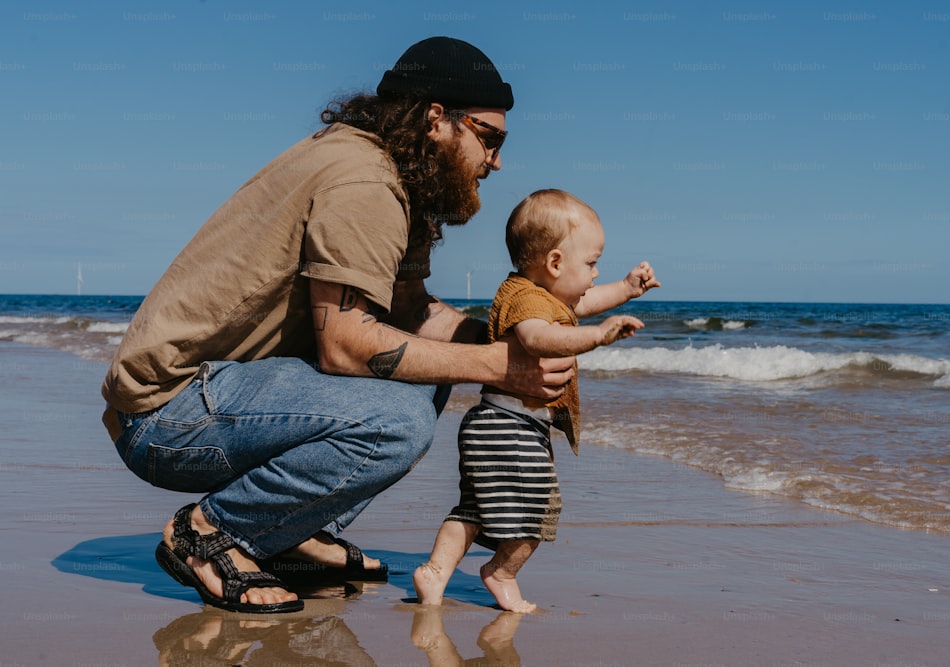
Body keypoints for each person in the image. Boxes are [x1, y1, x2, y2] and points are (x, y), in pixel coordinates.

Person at [100, 37, 575, 614]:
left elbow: (412, 311)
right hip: (165, 418)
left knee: (430, 368)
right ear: (435, 120)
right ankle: (209, 533)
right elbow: (345, 347)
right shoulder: (365, 183)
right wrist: (501, 367)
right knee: (396, 421)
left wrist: (508, 341)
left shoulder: (392, 174)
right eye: (489, 137)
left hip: (210, 394)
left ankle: (293, 531)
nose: (496, 161)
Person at [413, 189, 660, 612]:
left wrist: (626, 288)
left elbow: (583, 303)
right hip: (510, 426)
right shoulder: (527, 301)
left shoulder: (544, 295)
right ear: (555, 263)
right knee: (541, 507)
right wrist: (598, 336)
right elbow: (539, 337)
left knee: (473, 507)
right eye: (592, 263)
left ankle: (435, 571)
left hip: (496, 423)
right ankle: (501, 572)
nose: (595, 274)